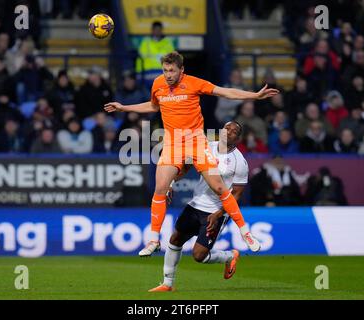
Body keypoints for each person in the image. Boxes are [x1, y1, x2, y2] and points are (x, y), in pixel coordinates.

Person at [105, 51, 279, 257]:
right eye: (165, 70)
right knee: (160, 188)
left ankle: (245, 232)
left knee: (219, 187)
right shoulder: (158, 84)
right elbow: (153, 106)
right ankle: (153, 240)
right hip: (172, 144)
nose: (168, 75)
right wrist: (124, 107)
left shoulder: (194, 83)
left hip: (196, 143)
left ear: (181, 70)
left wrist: (254, 95)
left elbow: (224, 92)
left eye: (172, 70)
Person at [149, 121, 252, 292]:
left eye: (234, 131)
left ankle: (229, 256)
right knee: (175, 239)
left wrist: (219, 214)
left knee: (199, 255)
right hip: (195, 204)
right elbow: (185, 168)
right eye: (227, 128)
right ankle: (167, 284)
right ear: (221, 130)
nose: (229, 132)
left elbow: (236, 195)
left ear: (238, 138)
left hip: (215, 212)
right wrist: (171, 182)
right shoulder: (205, 148)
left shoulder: (240, 162)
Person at [135, 21, 175, 89]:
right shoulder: (146, 42)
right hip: (147, 76)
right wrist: (139, 76)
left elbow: (174, 61)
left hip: (163, 76)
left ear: (161, 30)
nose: (157, 32)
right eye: (155, 30)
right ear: (152, 30)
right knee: (148, 98)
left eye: (159, 30)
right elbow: (140, 59)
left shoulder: (168, 43)